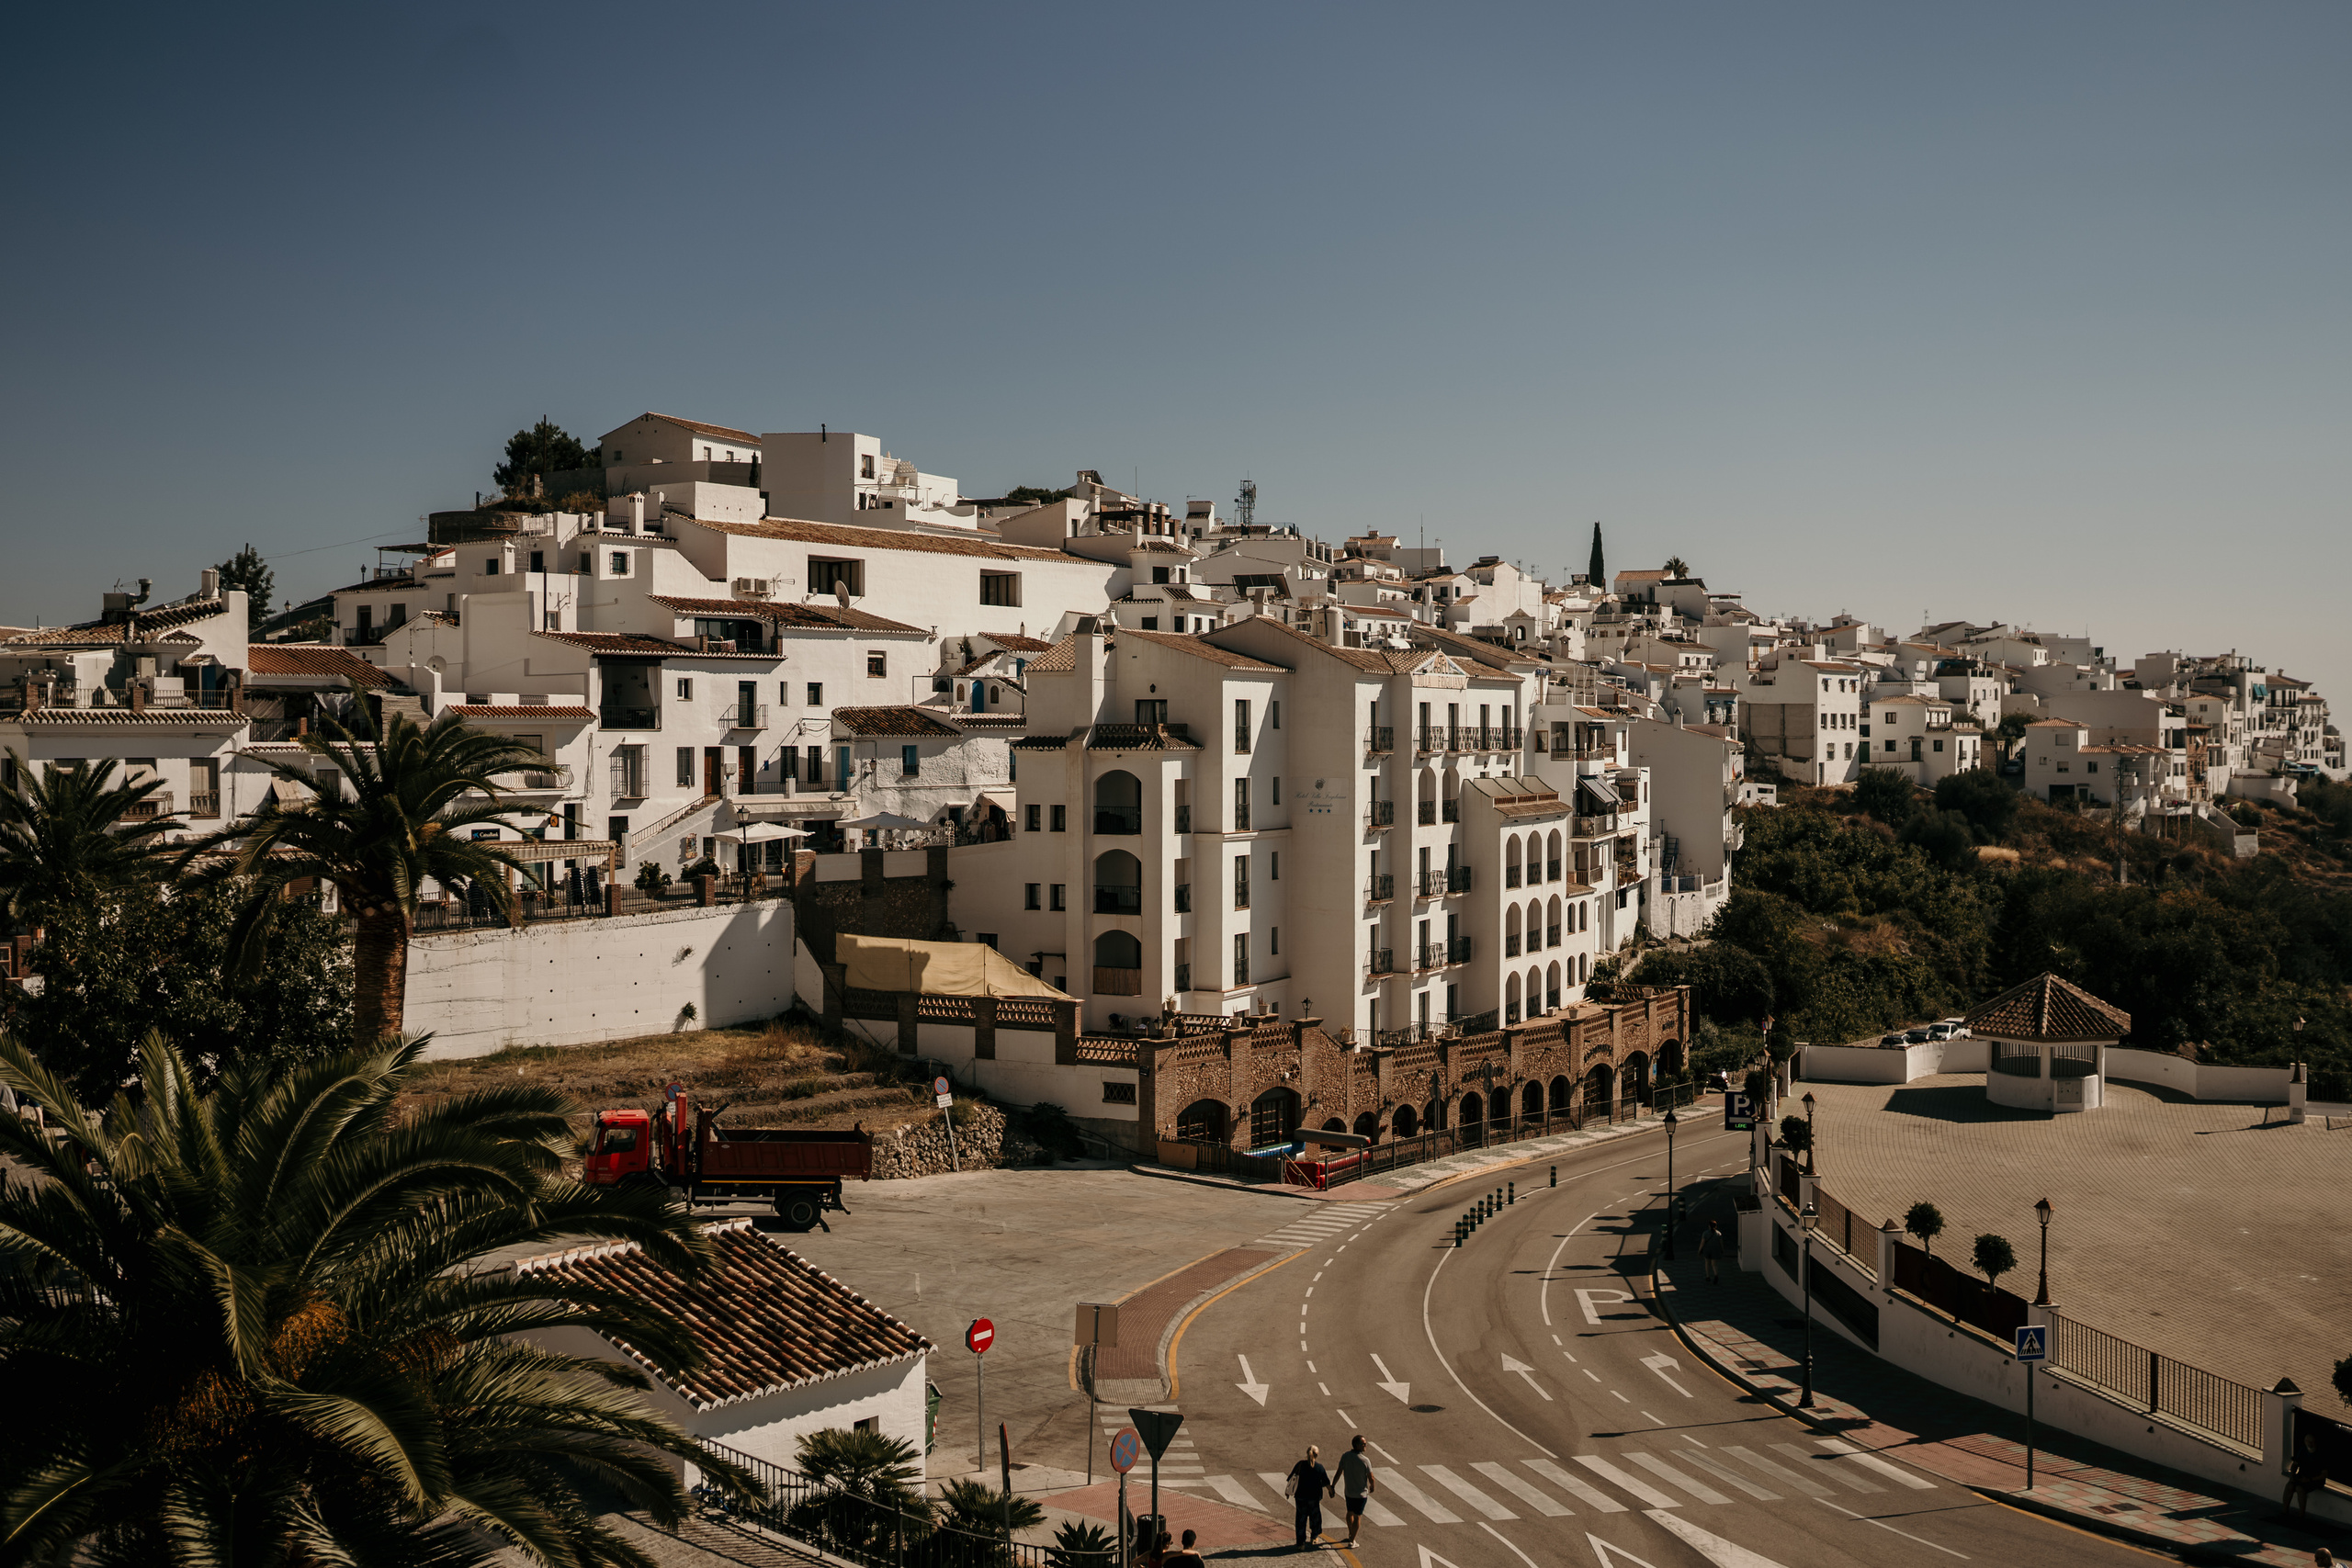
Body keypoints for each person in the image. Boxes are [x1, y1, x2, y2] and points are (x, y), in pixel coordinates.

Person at [1286, 1443, 1332, 1550]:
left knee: (1301, 1520)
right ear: (1317, 1455)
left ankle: (1301, 1544)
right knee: (1315, 1518)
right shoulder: (1319, 1467)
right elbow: (1326, 1482)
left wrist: (1288, 1492)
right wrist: (1331, 1491)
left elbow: (1291, 1478)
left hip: (1301, 1497)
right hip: (1314, 1498)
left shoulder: (1300, 1465)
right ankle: (1314, 1537)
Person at [1336, 1433, 1377, 1545]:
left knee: (1349, 1513)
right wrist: (1372, 1486)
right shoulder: (1365, 1460)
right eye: (1363, 1444)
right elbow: (1371, 1477)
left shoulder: (1345, 1456)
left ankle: (1351, 1533)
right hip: (1361, 1494)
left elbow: (1339, 1471)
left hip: (1349, 1492)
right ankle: (1352, 1540)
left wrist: (1333, 1485)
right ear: (1357, 1446)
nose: (1365, 1445)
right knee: (1358, 1516)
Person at [2284, 1430, 2327, 1520]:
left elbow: (2324, 1474)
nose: (2310, 1444)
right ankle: (2285, 1511)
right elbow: (2295, 1464)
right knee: (2290, 1486)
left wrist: (2309, 1480)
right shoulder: (2303, 1450)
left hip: (2315, 1480)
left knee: (2300, 1489)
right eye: (2308, 1442)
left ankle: (2301, 1515)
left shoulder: (2320, 1454)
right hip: (2302, 1477)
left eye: (2312, 1442)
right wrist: (2292, 1477)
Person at [1699, 1220, 1725, 1284]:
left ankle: (1708, 1276)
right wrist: (1722, 1250)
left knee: (1707, 1263)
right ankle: (1716, 1274)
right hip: (1716, 1250)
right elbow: (1721, 1243)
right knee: (1714, 1264)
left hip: (1707, 1250)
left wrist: (1699, 1250)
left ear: (1709, 1226)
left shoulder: (1705, 1233)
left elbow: (1702, 1243)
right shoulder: (1719, 1233)